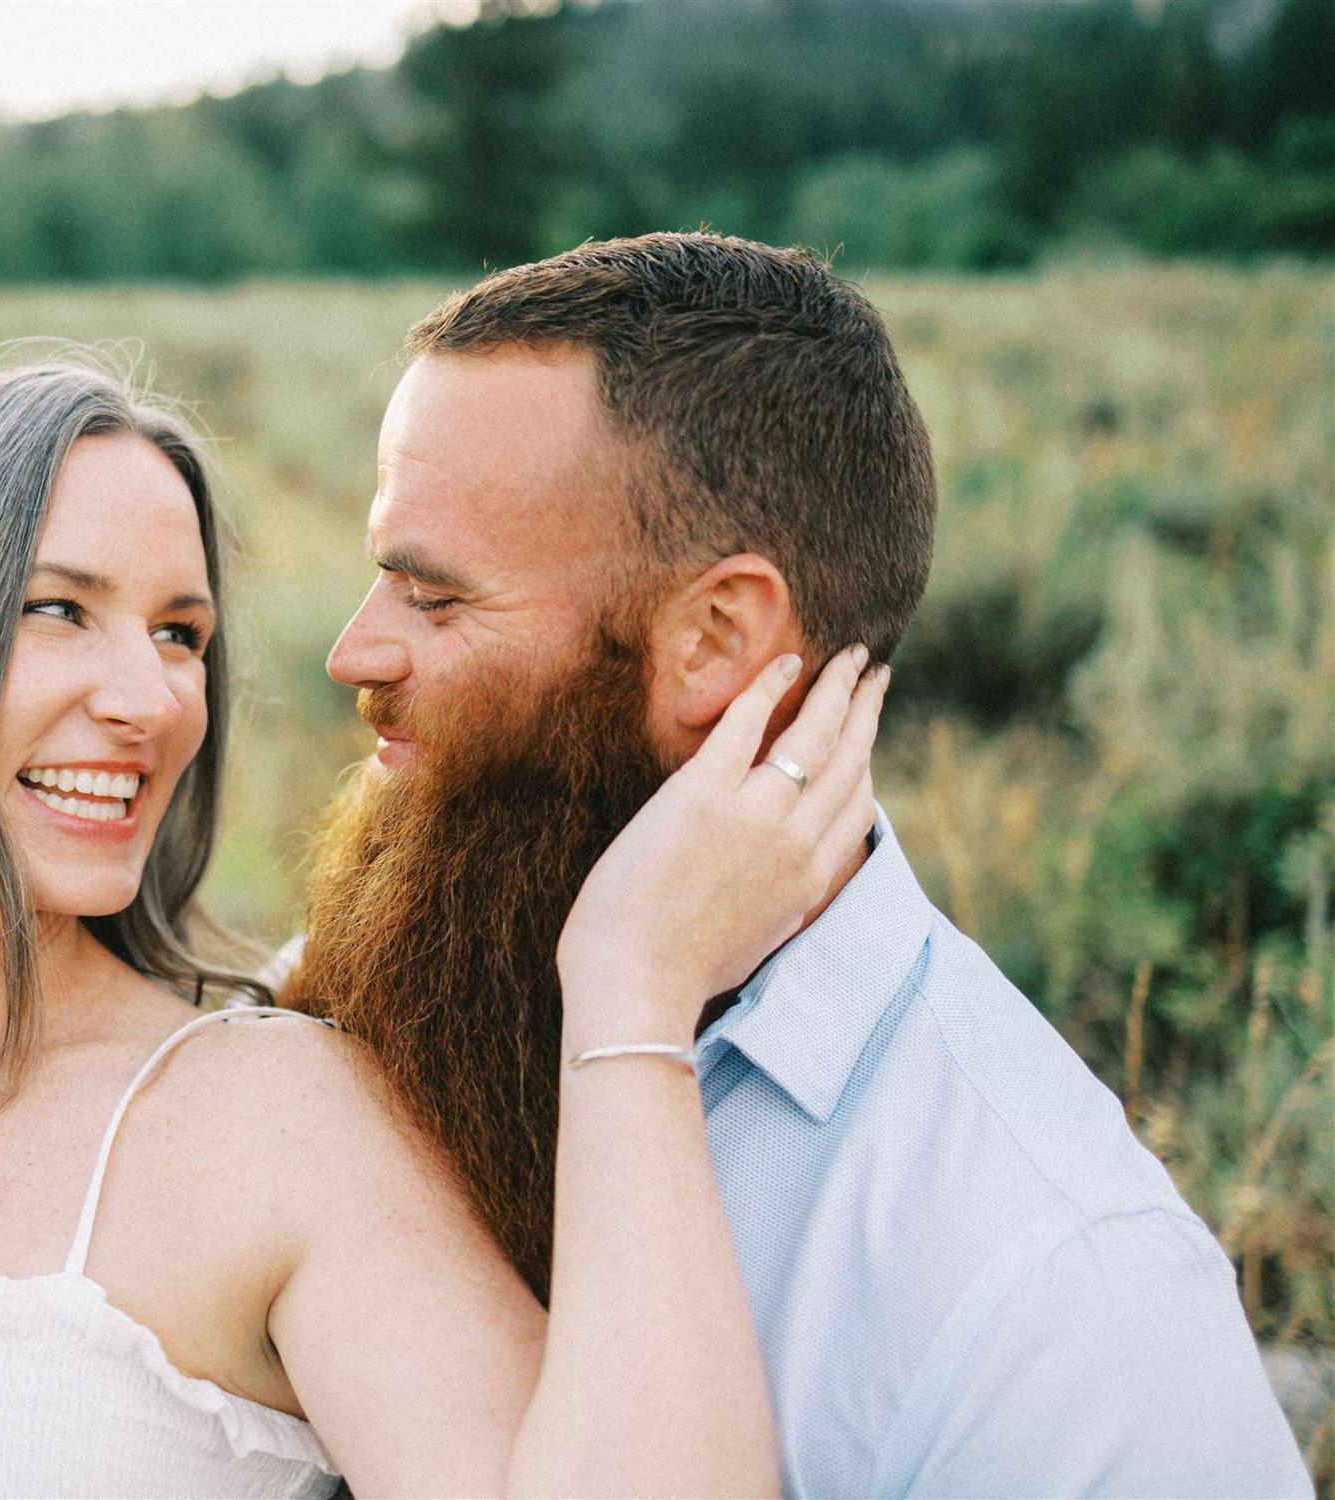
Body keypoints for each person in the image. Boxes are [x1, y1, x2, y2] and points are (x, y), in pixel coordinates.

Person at [0, 358, 886, 1497]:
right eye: (59, 611)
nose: (151, 700)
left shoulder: (263, 1121)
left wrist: (632, 987)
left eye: (181, 634)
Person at [279, 231, 1314, 1497]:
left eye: (432, 599)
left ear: (715, 637)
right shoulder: (412, 971)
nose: (351, 651)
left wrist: (626, 988)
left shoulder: (1056, 1299)